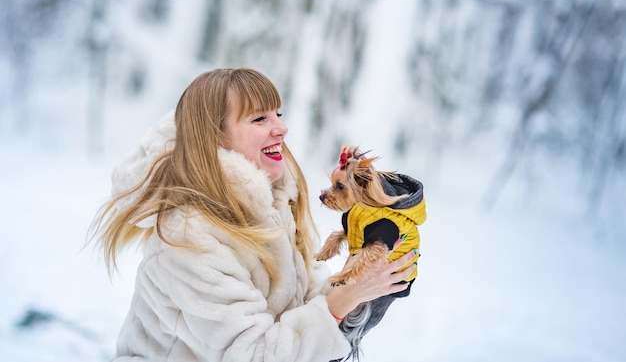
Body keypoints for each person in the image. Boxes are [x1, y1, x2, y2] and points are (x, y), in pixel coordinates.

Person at [90, 68, 417, 362]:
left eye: (278, 114)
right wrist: (341, 302)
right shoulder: (189, 233)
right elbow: (251, 354)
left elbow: (307, 302)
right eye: (260, 119)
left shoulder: (277, 206)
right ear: (214, 136)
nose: (282, 128)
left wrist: (364, 280)